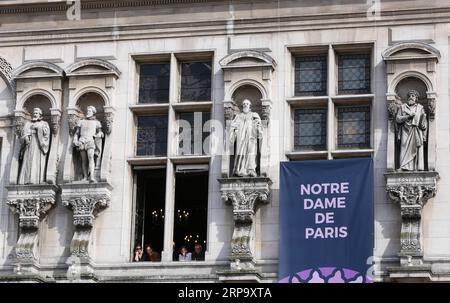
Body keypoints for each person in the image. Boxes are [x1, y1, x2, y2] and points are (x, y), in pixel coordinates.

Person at [230, 99, 263, 177]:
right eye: (244, 104)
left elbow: (259, 125)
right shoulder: (238, 116)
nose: (245, 105)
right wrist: (234, 131)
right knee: (240, 152)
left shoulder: (254, 115)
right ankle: (239, 169)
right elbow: (232, 126)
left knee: (251, 153)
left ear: (250, 106)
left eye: (247, 103)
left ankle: (251, 169)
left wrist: (258, 126)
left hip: (251, 137)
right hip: (241, 138)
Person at [396, 90, 427, 171]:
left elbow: (424, 122)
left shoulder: (420, 108)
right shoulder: (402, 107)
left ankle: (415, 167)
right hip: (405, 131)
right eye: (409, 96)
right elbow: (398, 119)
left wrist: (423, 125)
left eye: (413, 96)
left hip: (416, 130)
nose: (411, 97)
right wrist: (408, 117)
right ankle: (404, 166)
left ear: (416, 98)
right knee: (404, 147)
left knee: (416, 148)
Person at [18, 107, 51, 185]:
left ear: (40, 114)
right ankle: (25, 180)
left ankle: (35, 179)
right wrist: (26, 137)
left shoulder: (44, 123)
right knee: (27, 161)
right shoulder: (28, 124)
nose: (35, 114)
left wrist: (38, 129)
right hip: (29, 145)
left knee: (35, 161)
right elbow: (23, 134)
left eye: (37, 113)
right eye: (34, 113)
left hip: (38, 145)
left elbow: (46, 136)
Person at [73, 105, 104, 182]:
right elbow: (77, 133)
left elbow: (100, 132)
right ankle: (85, 177)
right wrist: (75, 139)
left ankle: (92, 176)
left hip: (91, 141)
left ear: (93, 112)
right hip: (82, 140)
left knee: (91, 158)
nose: (88, 112)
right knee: (84, 160)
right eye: (87, 111)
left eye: (89, 111)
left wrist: (99, 134)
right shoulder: (81, 121)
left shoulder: (96, 122)